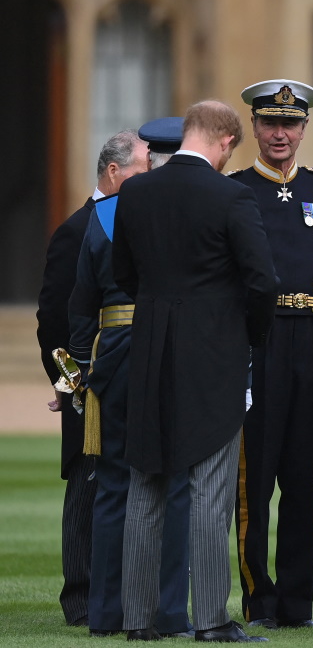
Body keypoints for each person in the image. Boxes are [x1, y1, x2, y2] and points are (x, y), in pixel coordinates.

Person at [113, 100, 276, 643]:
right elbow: (262, 282)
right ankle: (209, 619)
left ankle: (137, 618)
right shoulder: (232, 195)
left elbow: (124, 273)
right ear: (227, 142)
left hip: (151, 344)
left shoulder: (135, 191)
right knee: (210, 488)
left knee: (147, 483)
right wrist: (247, 337)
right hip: (213, 352)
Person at [230, 78, 313, 631]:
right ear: (254, 127)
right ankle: (260, 598)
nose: (280, 133)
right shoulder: (234, 191)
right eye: (269, 123)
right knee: (254, 481)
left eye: (290, 124)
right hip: (260, 340)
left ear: (304, 129)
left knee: (304, 482)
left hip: (312, 337)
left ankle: (297, 606)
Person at [67, 119, 193, 639]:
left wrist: (79, 371)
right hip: (173, 346)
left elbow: (81, 302)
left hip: (114, 351)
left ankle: (107, 611)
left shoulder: (105, 213)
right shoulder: (189, 207)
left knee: (115, 483)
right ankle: (166, 611)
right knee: (175, 480)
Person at [35, 129, 148, 628]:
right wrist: (71, 381)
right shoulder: (77, 229)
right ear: (113, 172)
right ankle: (80, 599)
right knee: (87, 485)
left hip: (126, 373)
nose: (151, 178)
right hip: (89, 383)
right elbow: (54, 321)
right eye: (143, 169)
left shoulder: (138, 222)